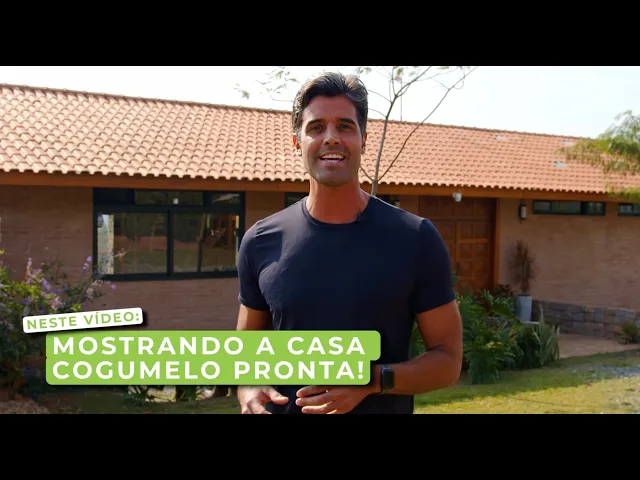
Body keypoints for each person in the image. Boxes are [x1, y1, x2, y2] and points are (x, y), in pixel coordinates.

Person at [235, 72, 462, 414]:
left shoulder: (415, 238)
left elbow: (447, 360)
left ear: (363, 140)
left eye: (344, 126)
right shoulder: (259, 241)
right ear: (297, 142)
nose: (331, 138)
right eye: (316, 127)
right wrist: (248, 387)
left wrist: (373, 379)